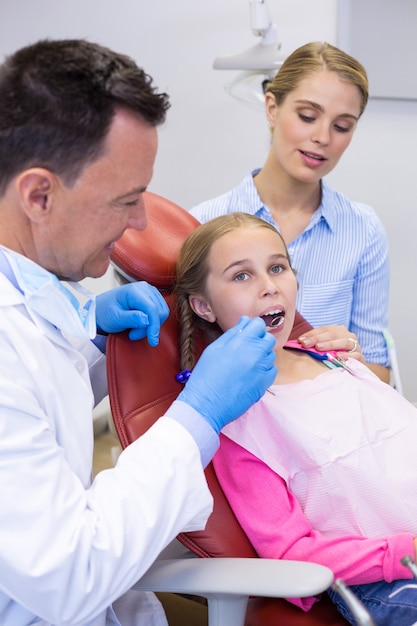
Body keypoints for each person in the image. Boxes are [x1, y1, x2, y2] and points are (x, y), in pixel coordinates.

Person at [0, 39, 278, 626]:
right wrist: (199, 414)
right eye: (125, 201)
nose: (139, 224)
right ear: (39, 195)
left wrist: (91, 347)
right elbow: (67, 572)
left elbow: (39, 397)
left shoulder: (35, 298)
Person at [174, 212, 417, 626]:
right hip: (387, 579)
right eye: (241, 276)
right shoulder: (237, 417)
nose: (270, 286)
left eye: (277, 267)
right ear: (203, 306)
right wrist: (407, 552)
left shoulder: (336, 358)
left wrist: (356, 368)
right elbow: (290, 553)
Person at [190, 41, 390, 383]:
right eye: (307, 116)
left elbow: (380, 374)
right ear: (271, 108)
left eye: (342, 126)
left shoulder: (363, 230)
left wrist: (352, 361)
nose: (322, 137)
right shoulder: (202, 223)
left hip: (329, 421)